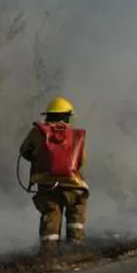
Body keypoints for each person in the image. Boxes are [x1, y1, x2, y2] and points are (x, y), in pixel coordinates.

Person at [19, 96, 89, 255]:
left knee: (51, 214)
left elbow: (24, 151)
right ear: (67, 116)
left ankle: (49, 255)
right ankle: (75, 249)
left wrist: (39, 160)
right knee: (76, 209)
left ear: (49, 115)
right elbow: (81, 161)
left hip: (46, 183)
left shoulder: (38, 132)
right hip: (72, 183)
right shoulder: (75, 135)